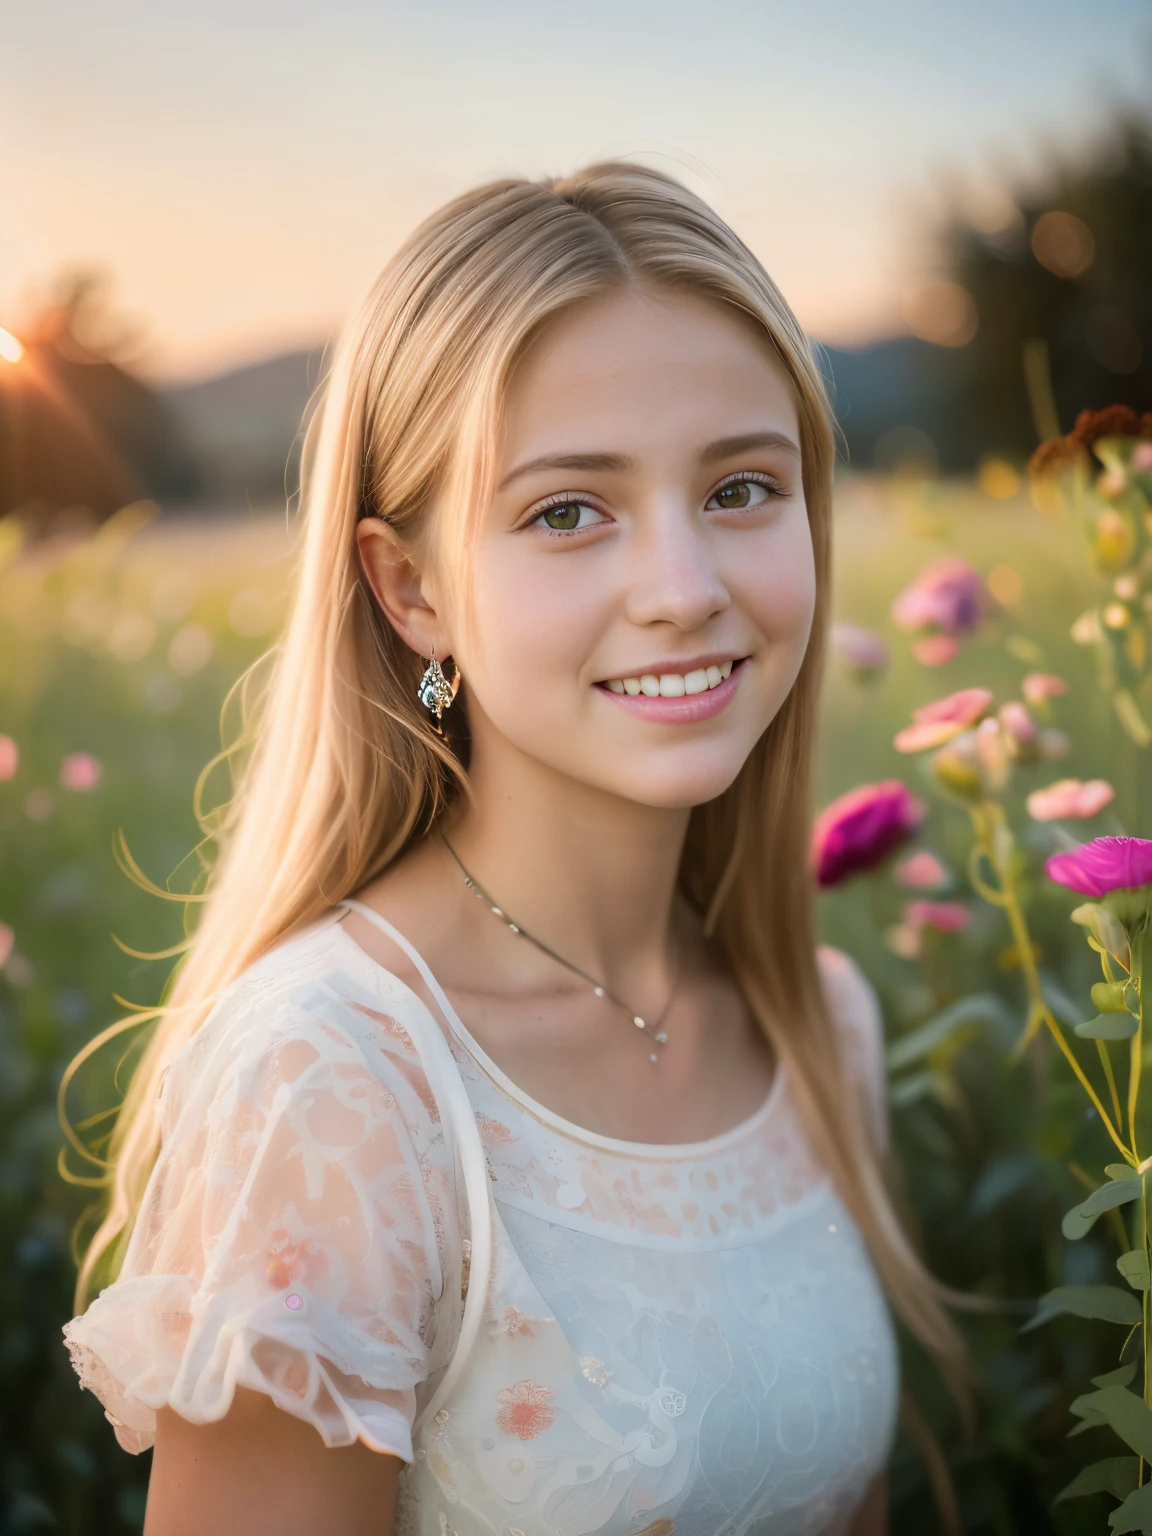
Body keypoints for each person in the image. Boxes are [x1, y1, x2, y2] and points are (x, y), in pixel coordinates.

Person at [63, 163, 969, 1535]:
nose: (685, 589)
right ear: (411, 588)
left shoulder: (812, 1027)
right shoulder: (341, 1089)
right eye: (567, 511)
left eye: (740, 488)